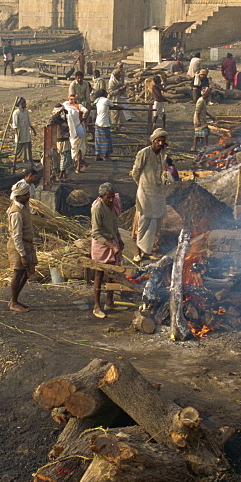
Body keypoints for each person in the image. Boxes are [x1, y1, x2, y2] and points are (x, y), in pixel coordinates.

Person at [131, 129, 170, 260]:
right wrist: (142, 185)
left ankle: (148, 250)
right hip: (145, 192)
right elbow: (136, 172)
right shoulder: (144, 153)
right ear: (153, 141)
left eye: (162, 141)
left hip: (158, 192)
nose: (160, 143)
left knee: (156, 221)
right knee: (143, 221)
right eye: (158, 141)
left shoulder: (162, 154)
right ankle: (138, 251)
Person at [90, 182, 123, 319]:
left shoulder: (113, 204)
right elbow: (95, 233)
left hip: (112, 241)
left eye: (111, 197)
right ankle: (97, 306)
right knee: (99, 275)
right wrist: (111, 245)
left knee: (112, 274)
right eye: (107, 198)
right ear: (101, 197)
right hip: (101, 244)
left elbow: (114, 225)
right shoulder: (98, 209)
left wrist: (119, 240)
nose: (110, 200)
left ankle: (109, 302)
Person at [6, 180, 37, 312]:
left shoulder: (24, 206)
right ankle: (13, 302)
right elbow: (16, 236)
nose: (28, 196)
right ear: (18, 196)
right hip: (18, 246)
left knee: (27, 272)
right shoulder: (16, 212)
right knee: (18, 273)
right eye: (25, 194)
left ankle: (15, 299)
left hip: (27, 243)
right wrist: (22, 254)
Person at [64, 93, 89, 173]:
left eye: (74, 99)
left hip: (76, 128)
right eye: (71, 99)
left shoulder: (77, 106)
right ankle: (79, 164)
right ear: (68, 98)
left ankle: (78, 166)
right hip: (75, 128)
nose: (72, 100)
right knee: (77, 148)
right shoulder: (67, 106)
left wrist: (82, 119)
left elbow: (86, 111)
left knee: (77, 148)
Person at [47, 104, 72, 181]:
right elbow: (49, 123)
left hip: (64, 138)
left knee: (65, 157)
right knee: (64, 157)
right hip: (61, 139)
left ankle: (63, 174)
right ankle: (61, 175)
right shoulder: (56, 117)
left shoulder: (61, 116)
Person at [11, 97, 35, 163]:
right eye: (24, 103)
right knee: (19, 148)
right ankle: (16, 161)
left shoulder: (25, 112)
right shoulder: (16, 113)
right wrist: (18, 135)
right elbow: (15, 126)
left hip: (26, 133)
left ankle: (26, 160)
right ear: (21, 104)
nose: (25, 104)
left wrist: (33, 130)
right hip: (20, 133)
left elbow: (28, 122)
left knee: (27, 147)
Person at [94, 89, 115, 160]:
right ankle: (106, 155)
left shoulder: (98, 101)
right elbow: (113, 106)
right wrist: (121, 107)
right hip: (104, 122)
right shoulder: (106, 100)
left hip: (98, 122)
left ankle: (98, 154)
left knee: (98, 140)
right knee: (106, 139)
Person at [192, 85, 212, 151]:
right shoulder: (200, 101)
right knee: (204, 132)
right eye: (208, 93)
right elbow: (197, 111)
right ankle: (205, 146)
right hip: (199, 119)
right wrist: (198, 121)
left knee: (198, 133)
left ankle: (194, 147)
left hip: (201, 118)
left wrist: (210, 116)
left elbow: (204, 110)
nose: (209, 94)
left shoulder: (203, 100)